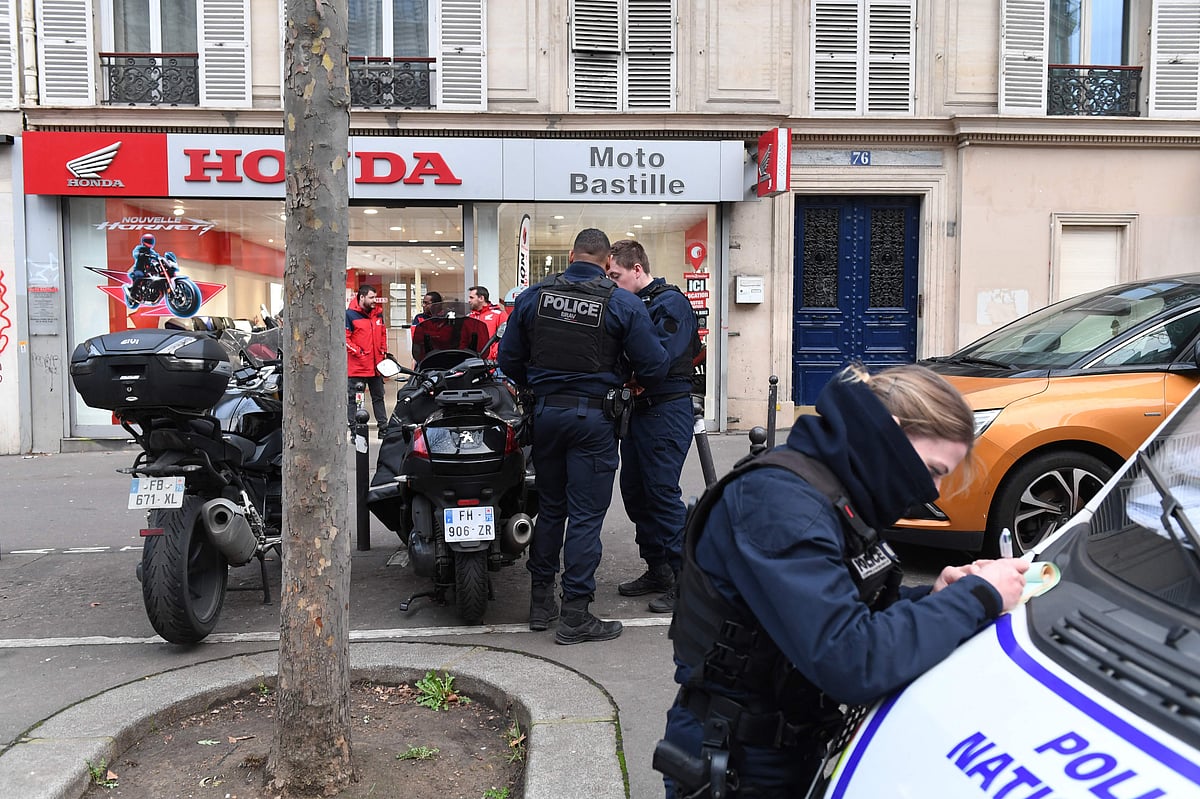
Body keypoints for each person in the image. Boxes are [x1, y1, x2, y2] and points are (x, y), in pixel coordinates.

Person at [659, 363, 1029, 798]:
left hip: (785, 742)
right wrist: (977, 598)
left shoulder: (830, 489)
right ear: (889, 434)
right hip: (739, 758)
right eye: (931, 470)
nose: (931, 492)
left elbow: (846, 608)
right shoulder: (780, 504)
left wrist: (934, 597)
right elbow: (851, 658)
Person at [499, 228, 670, 645]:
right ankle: (576, 613)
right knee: (586, 516)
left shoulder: (533, 297)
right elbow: (655, 365)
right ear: (606, 259)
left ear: (572, 254)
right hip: (593, 420)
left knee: (552, 509)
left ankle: (541, 603)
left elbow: (509, 360)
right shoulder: (622, 302)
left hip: (546, 417)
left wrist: (540, 388)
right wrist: (628, 381)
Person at [606, 240, 699, 613]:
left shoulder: (670, 302)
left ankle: (687, 581)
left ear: (637, 270)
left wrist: (637, 374)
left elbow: (661, 357)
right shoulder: (633, 304)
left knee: (661, 493)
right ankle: (658, 568)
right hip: (641, 410)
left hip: (666, 409)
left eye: (616, 276)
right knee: (636, 492)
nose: (612, 283)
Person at [345, 285, 390, 439]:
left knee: (379, 397)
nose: (374, 301)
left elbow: (383, 333)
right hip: (358, 367)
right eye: (371, 298)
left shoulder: (378, 314)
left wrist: (383, 351)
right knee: (355, 399)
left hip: (376, 366)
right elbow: (345, 338)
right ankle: (355, 430)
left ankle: (383, 428)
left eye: (375, 298)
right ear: (362, 297)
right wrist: (359, 352)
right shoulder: (350, 315)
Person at [467, 285, 508, 360]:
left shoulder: (499, 314)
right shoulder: (469, 317)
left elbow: (506, 337)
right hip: (472, 361)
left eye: (471, 298)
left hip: (493, 364)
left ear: (481, 298)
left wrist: (494, 353)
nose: (469, 300)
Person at [124, 232, 160, 310]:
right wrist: (140, 254)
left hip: (149, 270)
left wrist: (160, 259)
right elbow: (135, 253)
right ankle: (133, 293)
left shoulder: (152, 252)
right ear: (144, 241)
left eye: (151, 241)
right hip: (139, 269)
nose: (150, 243)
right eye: (149, 241)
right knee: (140, 276)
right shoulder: (139, 248)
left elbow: (157, 257)